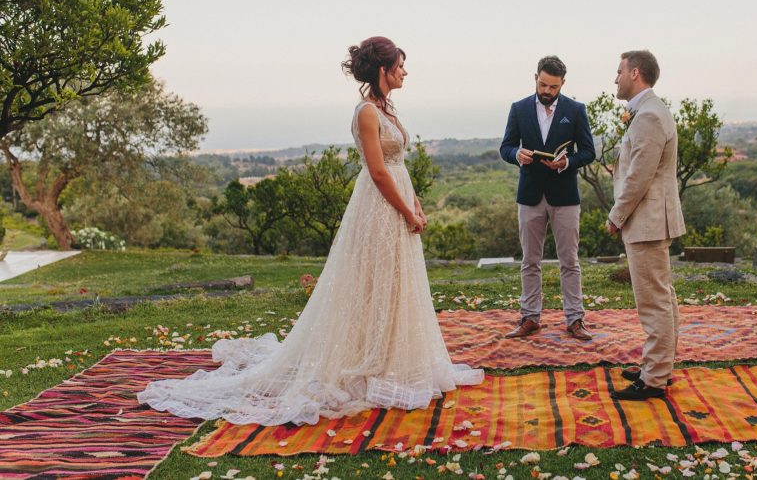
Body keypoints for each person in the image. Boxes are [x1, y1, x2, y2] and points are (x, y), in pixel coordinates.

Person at [138, 37, 483, 425]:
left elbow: (398, 163)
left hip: (399, 199)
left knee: (396, 281)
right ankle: (366, 362)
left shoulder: (389, 107)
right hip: (380, 206)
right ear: (382, 71)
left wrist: (415, 202)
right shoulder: (366, 112)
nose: (405, 71)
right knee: (374, 280)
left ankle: (391, 357)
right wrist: (406, 210)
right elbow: (379, 171)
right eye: (400, 65)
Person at [605, 50, 685, 401]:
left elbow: (639, 176)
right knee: (662, 297)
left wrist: (616, 215)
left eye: (619, 71)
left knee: (653, 302)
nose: (615, 78)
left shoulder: (649, 116)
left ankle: (654, 379)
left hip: (648, 222)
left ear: (635, 73)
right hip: (652, 220)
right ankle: (658, 367)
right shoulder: (651, 111)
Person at [499, 55, 596, 341]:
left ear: (562, 84)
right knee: (530, 261)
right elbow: (506, 147)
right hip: (529, 196)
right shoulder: (518, 109)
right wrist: (517, 155)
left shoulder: (576, 110)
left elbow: (589, 152)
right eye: (543, 84)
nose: (547, 91)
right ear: (535, 78)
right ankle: (530, 317)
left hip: (565, 196)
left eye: (553, 87)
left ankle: (575, 320)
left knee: (570, 261)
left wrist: (566, 163)